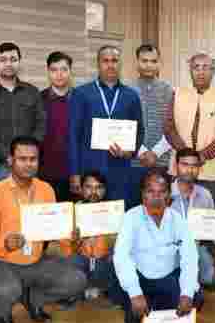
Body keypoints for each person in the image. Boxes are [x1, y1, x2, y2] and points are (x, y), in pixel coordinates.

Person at [0, 136, 87, 323]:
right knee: (8, 290)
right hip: (4, 262)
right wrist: (5, 244)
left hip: (37, 260)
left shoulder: (46, 190)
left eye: (33, 159)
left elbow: (56, 231)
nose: (28, 164)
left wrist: (71, 238)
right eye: (22, 159)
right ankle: (3, 314)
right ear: (10, 160)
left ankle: (34, 300)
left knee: (77, 281)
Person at [112, 168, 203, 323]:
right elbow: (121, 257)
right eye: (150, 191)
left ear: (169, 195)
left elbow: (190, 258)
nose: (156, 197)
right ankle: (137, 314)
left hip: (166, 278)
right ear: (142, 194)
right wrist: (135, 293)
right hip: (139, 278)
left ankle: (155, 309)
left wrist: (186, 293)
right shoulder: (131, 217)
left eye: (162, 192)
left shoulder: (177, 220)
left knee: (196, 297)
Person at [68, 45, 145, 208]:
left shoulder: (131, 96)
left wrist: (130, 152)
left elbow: (139, 131)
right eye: (106, 61)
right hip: (90, 168)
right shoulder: (81, 93)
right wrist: (74, 172)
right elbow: (73, 135)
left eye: (115, 61)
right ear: (98, 64)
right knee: (90, 215)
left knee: (118, 213)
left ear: (120, 64)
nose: (110, 65)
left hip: (120, 167)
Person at [165, 53, 215, 208]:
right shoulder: (177, 94)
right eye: (196, 67)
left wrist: (204, 155)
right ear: (190, 70)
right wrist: (187, 156)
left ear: (213, 71)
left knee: (210, 217)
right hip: (180, 169)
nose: (201, 72)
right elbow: (168, 127)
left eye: (205, 67)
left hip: (212, 171)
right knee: (177, 215)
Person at [0, 42, 46, 185]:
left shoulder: (32, 92)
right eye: (3, 60)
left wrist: (26, 153)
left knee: (28, 200)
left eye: (13, 59)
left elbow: (40, 125)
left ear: (19, 62)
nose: (8, 64)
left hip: (27, 164)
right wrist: (7, 155)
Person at [64, 171, 118, 308]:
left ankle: (100, 290)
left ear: (104, 190)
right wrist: (76, 241)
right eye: (89, 187)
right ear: (81, 189)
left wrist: (111, 241)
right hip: (81, 262)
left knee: (119, 258)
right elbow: (66, 249)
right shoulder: (71, 212)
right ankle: (82, 291)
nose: (94, 192)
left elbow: (119, 246)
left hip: (103, 263)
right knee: (69, 259)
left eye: (99, 187)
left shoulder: (114, 211)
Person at [169, 148, 215, 286]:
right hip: (169, 248)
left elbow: (213, 229)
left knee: (209, 276)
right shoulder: (164, 192)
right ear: (176, 166)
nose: (190, 170)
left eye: (194, 166)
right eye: (185, 165)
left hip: (196, 247)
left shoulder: (205, 195)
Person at [39, 51, 74, 201]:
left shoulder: (81, 99)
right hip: (45, 173)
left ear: (70, 71)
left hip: (75, 174)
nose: (59, 74)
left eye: (64, 69)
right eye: (54, 70)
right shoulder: (38, 99)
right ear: (48, 72)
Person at [132, 45, 173, 169]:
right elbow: (123, 124)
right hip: (134, 160)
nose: (149, 65)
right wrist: (141, 152)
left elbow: (174, 126)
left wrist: (156, 152)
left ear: (159, 63)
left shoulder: (168, 90)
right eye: (144, 61)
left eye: (153, 61)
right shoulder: (127, 90)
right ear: (137, 62)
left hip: (162, 160)